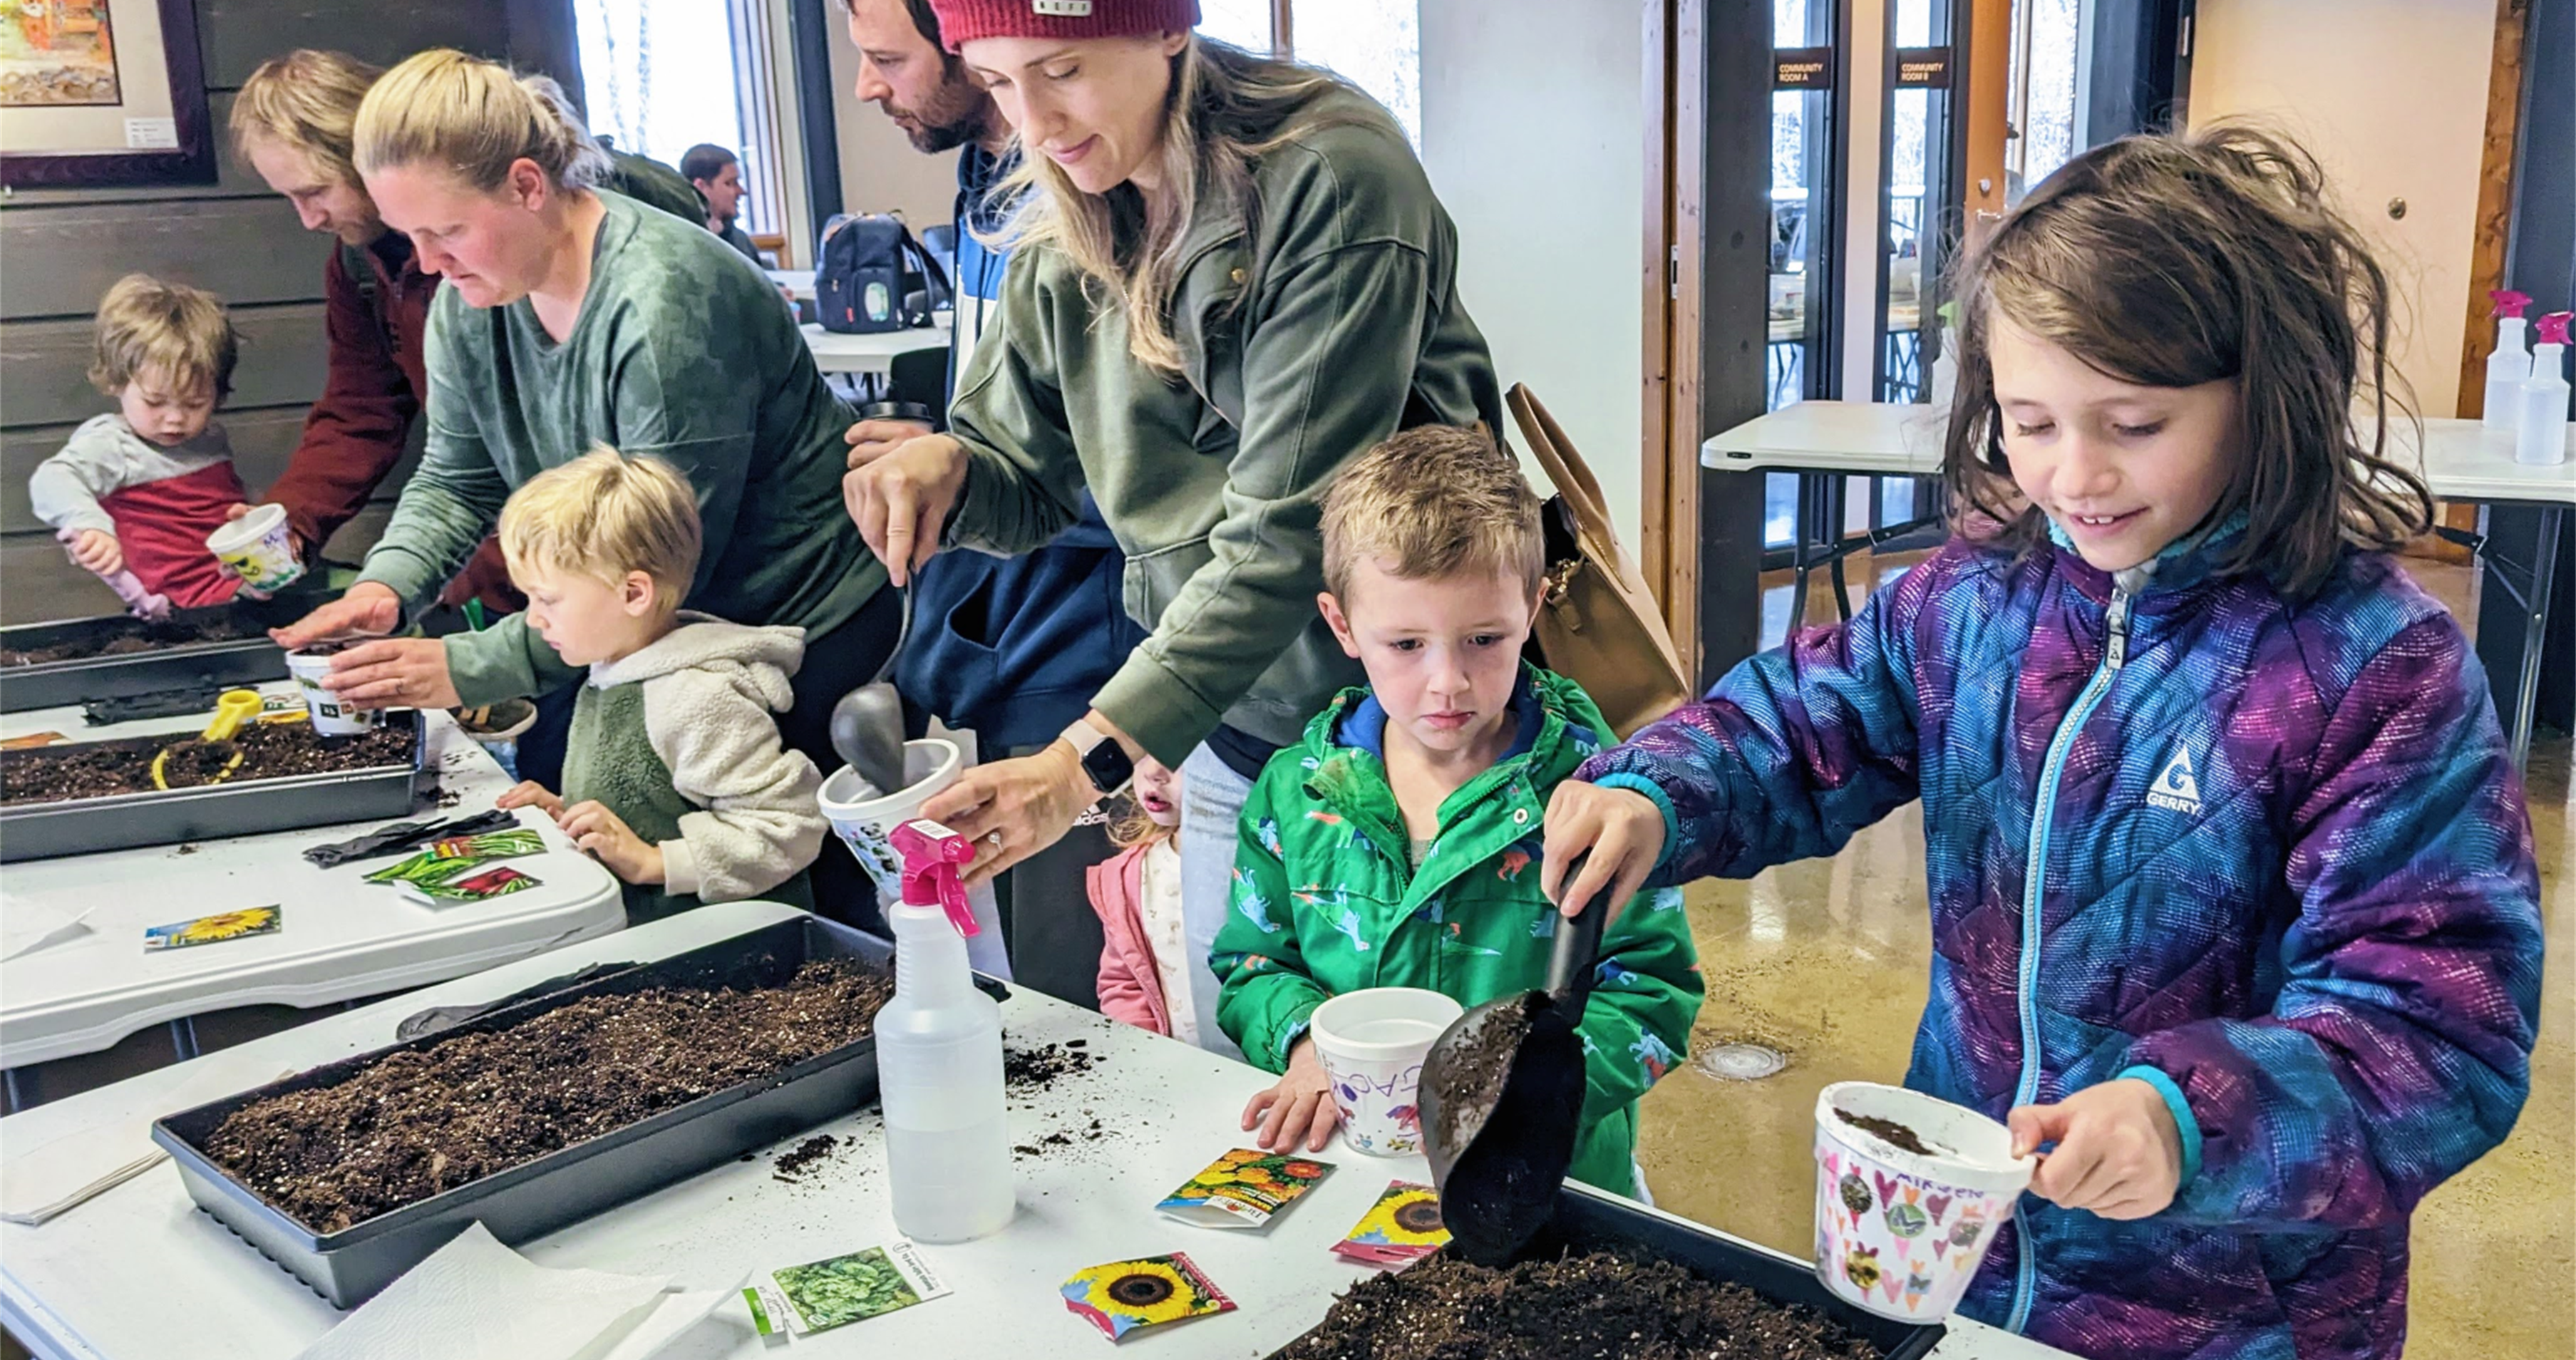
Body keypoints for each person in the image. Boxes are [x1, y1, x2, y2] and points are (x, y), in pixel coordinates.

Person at [1544, 126, 2544, 1357]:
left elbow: (2437, 1028)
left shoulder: (2374, 667)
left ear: (2264, 396)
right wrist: (1657, 785)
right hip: (1959, 1251)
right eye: (2028, 421)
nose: (2073, 476)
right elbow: (1808, 716)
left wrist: (2188, 1116)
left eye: (2131, 423)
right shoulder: (1974, 600)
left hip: (2230, 1306)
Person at [843, 1, 1502, 1055]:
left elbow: (1289, 531)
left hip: (1406, 723)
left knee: (1432, 1086)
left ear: (1165, 32)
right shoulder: (1067, 205)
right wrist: (953, 469)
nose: (1037, 121)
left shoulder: (1330, 178)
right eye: (1000, 82)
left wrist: (1082, 762)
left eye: (1061, 68)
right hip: (1219, 723)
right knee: (1242, 1067)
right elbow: (1033, 482)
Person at [269, 49, 894, 922]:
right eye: (406, 235)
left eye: (445, 232)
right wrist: (386, 587)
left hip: (785, 624)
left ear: (528, 185)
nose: (427, 262)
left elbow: (656, 568)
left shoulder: (664, 303)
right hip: (637, 627)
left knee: (789, 895)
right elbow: (457, 473)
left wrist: (464, 665)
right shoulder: (470, 300)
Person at [1210, 427, 1699, 1195]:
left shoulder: (1603, 800)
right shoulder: (1291, 792)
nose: (1448, 683)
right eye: (1405, 643)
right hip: (1362, 1181)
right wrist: (1306, 1043)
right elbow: (1251, 964)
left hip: (1552, 1182)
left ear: (1532, 610)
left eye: (1482, 639)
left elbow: (1651, 992)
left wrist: (1525, 1100)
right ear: (1342, 627)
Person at [838, 0, 1144, 1007]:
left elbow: (1131, 470)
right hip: (1014, 615)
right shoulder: (985, 179)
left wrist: (976, 463)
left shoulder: (1111, 194)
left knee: (1090, 969)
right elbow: (1023, 421)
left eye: (888, 58)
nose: (867, 87)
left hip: (1103, 638)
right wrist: (954, 459)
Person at [228, 49, 516, 614]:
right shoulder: (357, 266)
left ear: (363, 157)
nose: (308, 219)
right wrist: (293, 519)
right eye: (289, 197)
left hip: (576, 554)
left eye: (314, 192)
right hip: (484, 557)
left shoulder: (491, 248)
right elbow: (362, 408)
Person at [492, 448, 825, 924]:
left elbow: (790, 826)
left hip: (728, 958)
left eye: (547, 598)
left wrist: (654, 863)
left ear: (633, 594)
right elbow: (648, 804)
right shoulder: (613, 672)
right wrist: (568, 814)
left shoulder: (693, 696)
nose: (533, 618)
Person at [31, 274, 251, 612]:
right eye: (155, 402)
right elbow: (52, 479)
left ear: (218, 394)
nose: (175, 419)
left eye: (194, 404)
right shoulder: (113, 444)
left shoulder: (210, 439)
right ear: (118, 382)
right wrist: (92, 526)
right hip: (177, 607)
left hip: (238, 587)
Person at [1086, 756, 1187, 1037]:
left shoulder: (1259, 869)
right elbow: (1123, 983)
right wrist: (1148, 1052)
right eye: (1142, 752)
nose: (1154, 773)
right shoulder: (1126, 877)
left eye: (1180, 756)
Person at [680, 143, 762, 263]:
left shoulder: (741, 241)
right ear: (700, 188)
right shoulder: (681, 245)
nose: (742, 192)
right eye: (730, 183)